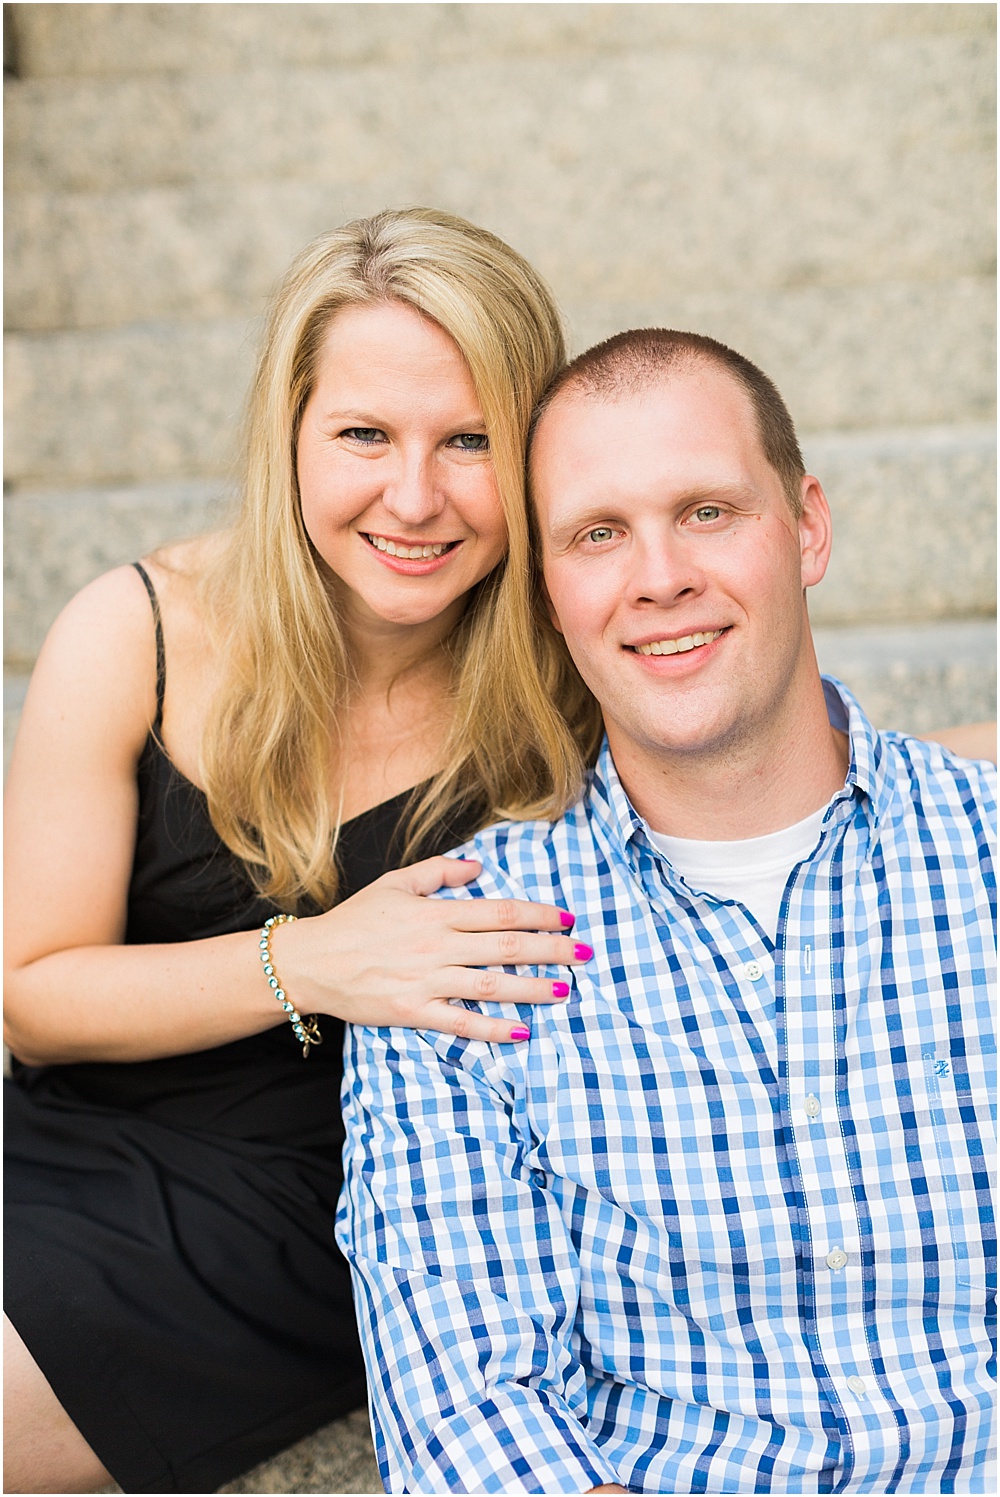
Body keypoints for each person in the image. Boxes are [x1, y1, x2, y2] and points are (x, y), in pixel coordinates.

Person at [3, 208, 602, 1496]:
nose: (414, 496)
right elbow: (35, 997)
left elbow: (791, 763)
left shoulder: (574, 676)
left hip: (304, 1216)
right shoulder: (138, 629)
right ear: (290, 436)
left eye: (472, 441)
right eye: (365, 435)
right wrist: (313, 961)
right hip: (53, 1142)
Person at [339, 328, 997, 1495]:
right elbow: (470, 1421)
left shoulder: (983, 855)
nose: (658, 577)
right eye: (598, 534)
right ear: (547, 590)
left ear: (806, 528)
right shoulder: (455, 951)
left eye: (705, 511)